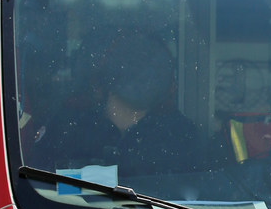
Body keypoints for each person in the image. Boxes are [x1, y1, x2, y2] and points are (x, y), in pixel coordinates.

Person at [30, 32, 204, 176]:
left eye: (152, 67)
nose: (141, 75)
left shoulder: (181, 136)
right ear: (106, 75)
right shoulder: (66, 127)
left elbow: (197, 200)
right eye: (131, 64)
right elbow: (43, 190)